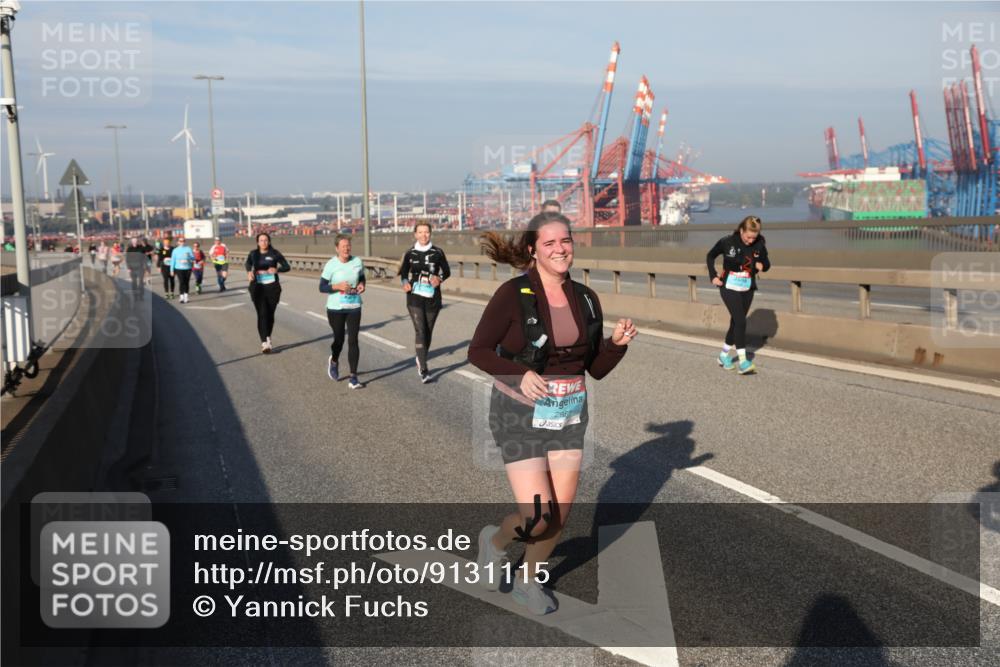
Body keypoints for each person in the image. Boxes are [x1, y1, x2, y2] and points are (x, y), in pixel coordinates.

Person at [468, 212, 635, 615]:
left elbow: (593, 368)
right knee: (538, 516)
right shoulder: (512, 294)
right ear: (532, 250)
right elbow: (478, 351)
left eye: (566, 241)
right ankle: (494, 542)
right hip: (518, 413)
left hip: (568, 414)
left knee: (559, 512)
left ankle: (529, 580)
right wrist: (519, 373)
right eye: (549, 243)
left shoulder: (586, 298)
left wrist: (616, 344)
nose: (560, 249)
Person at [706, 215, 770, 374]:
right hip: (728, 286)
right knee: (741, 322)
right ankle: (743, 362)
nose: (750, 240)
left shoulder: (760, 244)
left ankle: (723, 356)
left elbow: (767, 263)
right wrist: (713, 276)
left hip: (747, 288)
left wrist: (763, 265)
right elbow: (710, 255)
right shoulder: (728, 242)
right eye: (748, 237)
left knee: (736, 323)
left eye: (753, 237)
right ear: (742, 230)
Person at [398, 222, 450, 382]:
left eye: (426, 232)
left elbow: (447, 271)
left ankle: (420, 357)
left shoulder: (438, 252)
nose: (423, 235)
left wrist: (439, 278)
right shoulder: (410, 253)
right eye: (420, 232)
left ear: (430, 234)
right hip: (414, 297)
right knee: (420, 330)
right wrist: (405, 282)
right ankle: (424, 368)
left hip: (432, 298)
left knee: (428, 331)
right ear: (415, 234)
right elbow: (404, 273)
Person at [320, 234, 366, 388]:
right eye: (343, 246)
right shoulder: (331, 265)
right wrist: (336, 286)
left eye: (348, 245)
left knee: (353, 340)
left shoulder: (357, 261)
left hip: (354, 306)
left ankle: (353, 377)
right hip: (335, 308)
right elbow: (322, 287)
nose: (346, 248)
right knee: (339, 340)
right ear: (337, 248)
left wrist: (362, 285)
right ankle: (334, 360)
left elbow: (362, 278)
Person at [245, 232, 290, 353]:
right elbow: (248, 264)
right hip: (258, 288)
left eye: (266, 240)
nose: (263, 242)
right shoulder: (253, 254)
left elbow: (287, 266)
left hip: (272, 288)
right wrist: (249, 272)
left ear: (269, 242)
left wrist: (277, 269)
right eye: (261, 240)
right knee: (262, 313)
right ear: (257, 242)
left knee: (270, 314)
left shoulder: (275, 254)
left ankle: (268, 336)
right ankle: (265, 342)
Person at [170, 237, 196, 304]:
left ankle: (186, 296)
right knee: (181, 282)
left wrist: (189, 258)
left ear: (185, 242)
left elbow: (193, 258)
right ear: (178, 242)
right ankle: (181, 297)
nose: (182, 242)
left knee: (186, 282)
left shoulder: (188, 249)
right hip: (179, 268)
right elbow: (173, 260)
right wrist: (171, 270)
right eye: (180, 241)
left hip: (188, 268)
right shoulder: (175, 250)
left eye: (183, 241)